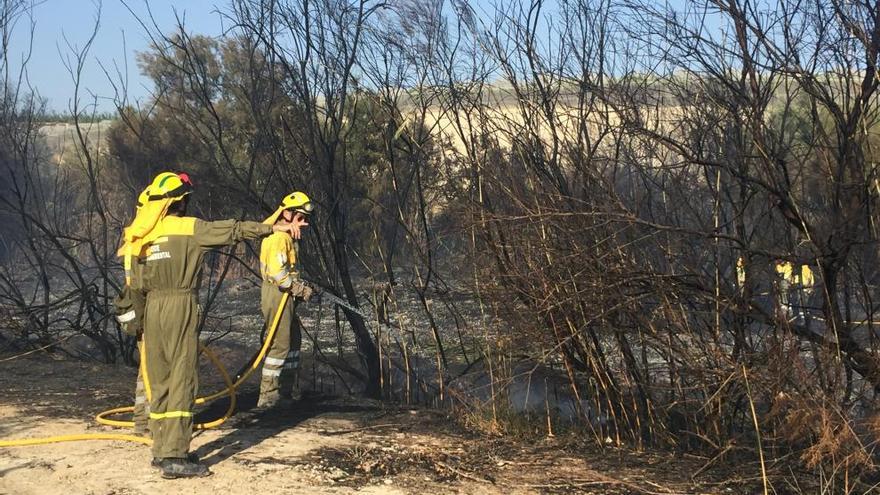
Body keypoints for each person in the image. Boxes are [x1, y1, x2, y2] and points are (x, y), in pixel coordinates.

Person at [118, 171, 300, 479]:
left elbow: (131, 286)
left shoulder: (141, 233)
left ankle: (162, 450)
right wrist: (271, 226)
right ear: (182, 202)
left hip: (151, 310)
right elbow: (232, 230)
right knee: (181, 378)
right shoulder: (189, 228)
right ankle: (175, 456)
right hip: (179, 306)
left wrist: (134, 324)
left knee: (159, 380)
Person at [258, 192, 315, 408]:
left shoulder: (287, 238)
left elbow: (288, 272)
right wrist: (300, 290)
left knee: (293, 342)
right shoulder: (278, 238)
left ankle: (286, 391)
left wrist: (301, 285)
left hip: (286, 294)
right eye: (300, 217)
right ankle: (268, 396)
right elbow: (278, 274)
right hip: (277, 294)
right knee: (280, 345)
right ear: (287, 214)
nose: (304, 223)